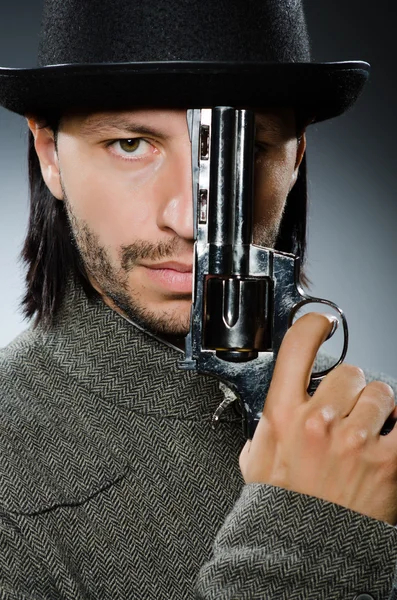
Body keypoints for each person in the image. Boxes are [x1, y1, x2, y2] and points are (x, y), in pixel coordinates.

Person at [0, 0, 396, 599]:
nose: (186, 219)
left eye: (248, 147)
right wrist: (313, 530)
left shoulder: (351, 428)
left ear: (298, 153)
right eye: (131, 144)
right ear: (50, 154)